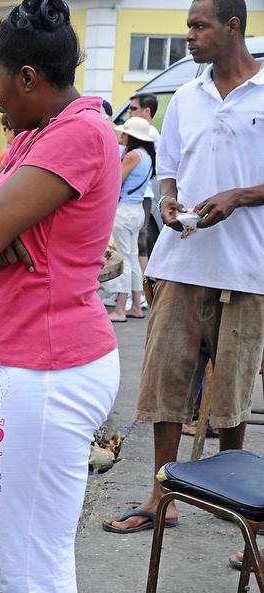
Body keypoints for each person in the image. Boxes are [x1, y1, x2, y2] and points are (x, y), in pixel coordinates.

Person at [0, 0, 121, 593]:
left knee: (31, 561)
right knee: (16, 548)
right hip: (29, 360)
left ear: (27, 78)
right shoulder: (36, 134)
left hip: (51, 365)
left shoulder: (75, 135)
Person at [103, 0, 264, 540]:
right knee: (166, 385)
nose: (190, 36)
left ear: (232, 27)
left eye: (200, 26)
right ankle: (162, 493)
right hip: (183, 261)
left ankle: (234, 499)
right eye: (189, 26)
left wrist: (239, 196)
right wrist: (168, 203)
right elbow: (168, 171)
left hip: (246, 269)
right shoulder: (186, 98)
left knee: (232, 395)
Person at [108, 116, 156, 322]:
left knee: (125, 259)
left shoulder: (132, 155)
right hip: (137, 210)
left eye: (125, 133)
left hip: (124, 210)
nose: (122, 135)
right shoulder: (146, 155)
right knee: (133, 259)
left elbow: (114, 181)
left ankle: (120, 308)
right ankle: (136, 305)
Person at [128, 92, 161, 274]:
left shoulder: (149, 132)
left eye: (133, 108)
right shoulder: (148, 132)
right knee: (136, 244)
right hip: (140, 195)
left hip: (140, 196)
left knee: (139, 244)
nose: (129, 113)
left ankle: (141, 289)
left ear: (147, 111)